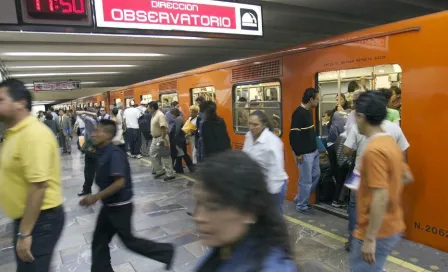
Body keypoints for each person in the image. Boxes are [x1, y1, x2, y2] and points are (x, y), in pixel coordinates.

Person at [79, 119, 174, 271]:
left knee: (129, 242)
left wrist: (95, 197)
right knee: (99, 242)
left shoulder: (115, 154)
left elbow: (119, 182)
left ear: (108, 135)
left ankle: (166, 251)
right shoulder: (102, 150)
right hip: (110, 205)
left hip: (119, 207)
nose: (94, 134)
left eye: (98, 131)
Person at [193, 151, 297, 272]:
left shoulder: (272, 268)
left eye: (214, 206)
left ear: (249, 211)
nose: (198, 217)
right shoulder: (227, 246)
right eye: (199, 203)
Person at [0, 78, 64, 271]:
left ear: (21, 103)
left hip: (40, 221)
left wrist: (25, 233)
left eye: (1, 100)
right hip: (28, 219)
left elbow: (38, 186)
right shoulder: (14, 133)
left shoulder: (33, 134)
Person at [348, 91, 411, 271]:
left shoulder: (373, 150)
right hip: (392, 225)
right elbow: (406, 177)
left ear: (361, 117)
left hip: (374, 229)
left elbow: (380, 196)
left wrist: (369, 239)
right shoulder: (390, 142)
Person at [242, 111, 289, 213]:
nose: (251, 127)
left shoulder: (272, 141)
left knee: (273, 219)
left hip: (274, 186)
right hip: (258, 185)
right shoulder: (249, 136)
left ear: (264, 125)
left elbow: (276, 170)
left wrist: (270, 195)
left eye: (255, 124)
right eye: (249, 123)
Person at [289, 88, 320, 215]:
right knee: (305, 181)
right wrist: (298, 153)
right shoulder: (298, 113)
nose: (318, 102)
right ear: (311, 99)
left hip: (314, 151)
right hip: (304, 154)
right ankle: (301, 205)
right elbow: (293, 135)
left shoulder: (309, 111)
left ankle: (299, 198)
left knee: (316, 175)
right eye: (317, 99)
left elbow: (311, 133)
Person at [148, 101, 176, 181]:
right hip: (155, 138)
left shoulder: (160, 115)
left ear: (152, 108)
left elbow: (163, 128)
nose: (148, 109)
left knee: (165, 156)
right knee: (153, 154)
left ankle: (170, 174)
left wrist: (163, 140)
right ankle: (160, 170)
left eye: (149, 107)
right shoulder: (154, 115)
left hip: (161, 137)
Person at [77, 108, 99, 196]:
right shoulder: (97, 120)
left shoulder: (90, 120)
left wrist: (84, 111)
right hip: (97, 148)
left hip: (92, 148)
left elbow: (79, 114)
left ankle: (87, 189)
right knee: (92, 170)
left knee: (89, 170)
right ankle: (87, 189)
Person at [170, 108, 194, 173]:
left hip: (178, 140)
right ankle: (179, 168)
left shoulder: (178, 119)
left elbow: (177, 131)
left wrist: (174, 139)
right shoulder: (180, 118)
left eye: (171, 114)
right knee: (180, 154)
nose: (171, 116)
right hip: (180, 139)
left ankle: (191, 167)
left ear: (174, 114)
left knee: (183, 154)